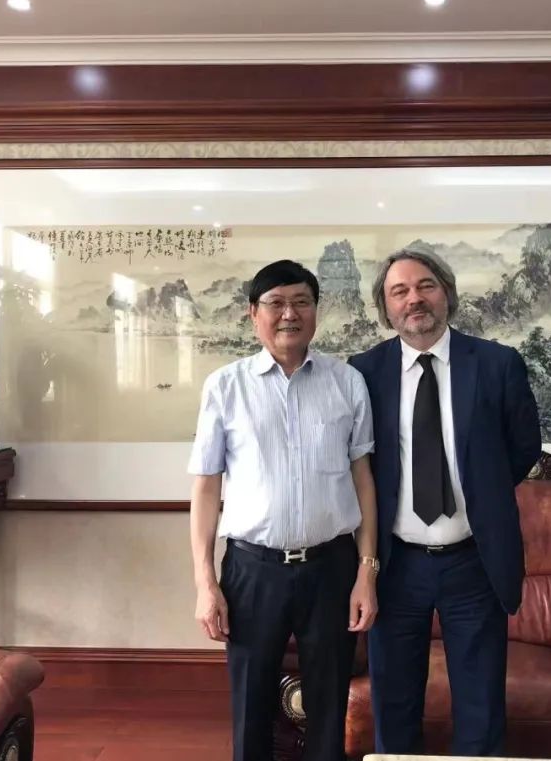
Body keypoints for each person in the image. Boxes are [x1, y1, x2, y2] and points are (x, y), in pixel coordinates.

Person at [349, 248, 541, 757]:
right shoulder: (364, 372)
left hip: (473, 562)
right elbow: (358, 463)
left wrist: (480, 492)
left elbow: (523, 449)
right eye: (400, 291)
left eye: (425, 285)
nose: (414, 299)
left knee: (481, 707)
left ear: (447, 294)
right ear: (386, 308)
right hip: (395, 564)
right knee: (394, 704)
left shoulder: (497, 364)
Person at [189, 259, 381, 761]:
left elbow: (363, 479)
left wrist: (366, 572)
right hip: (253, 570)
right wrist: (206, 583)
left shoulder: (346, 382)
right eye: (275, 303)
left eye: (301, 302)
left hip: (332, 568)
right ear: (253, 313)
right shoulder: (225, 386)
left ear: (316, 311)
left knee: (329, 707)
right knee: (250, 709)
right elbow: (206, 488)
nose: (289, 314)